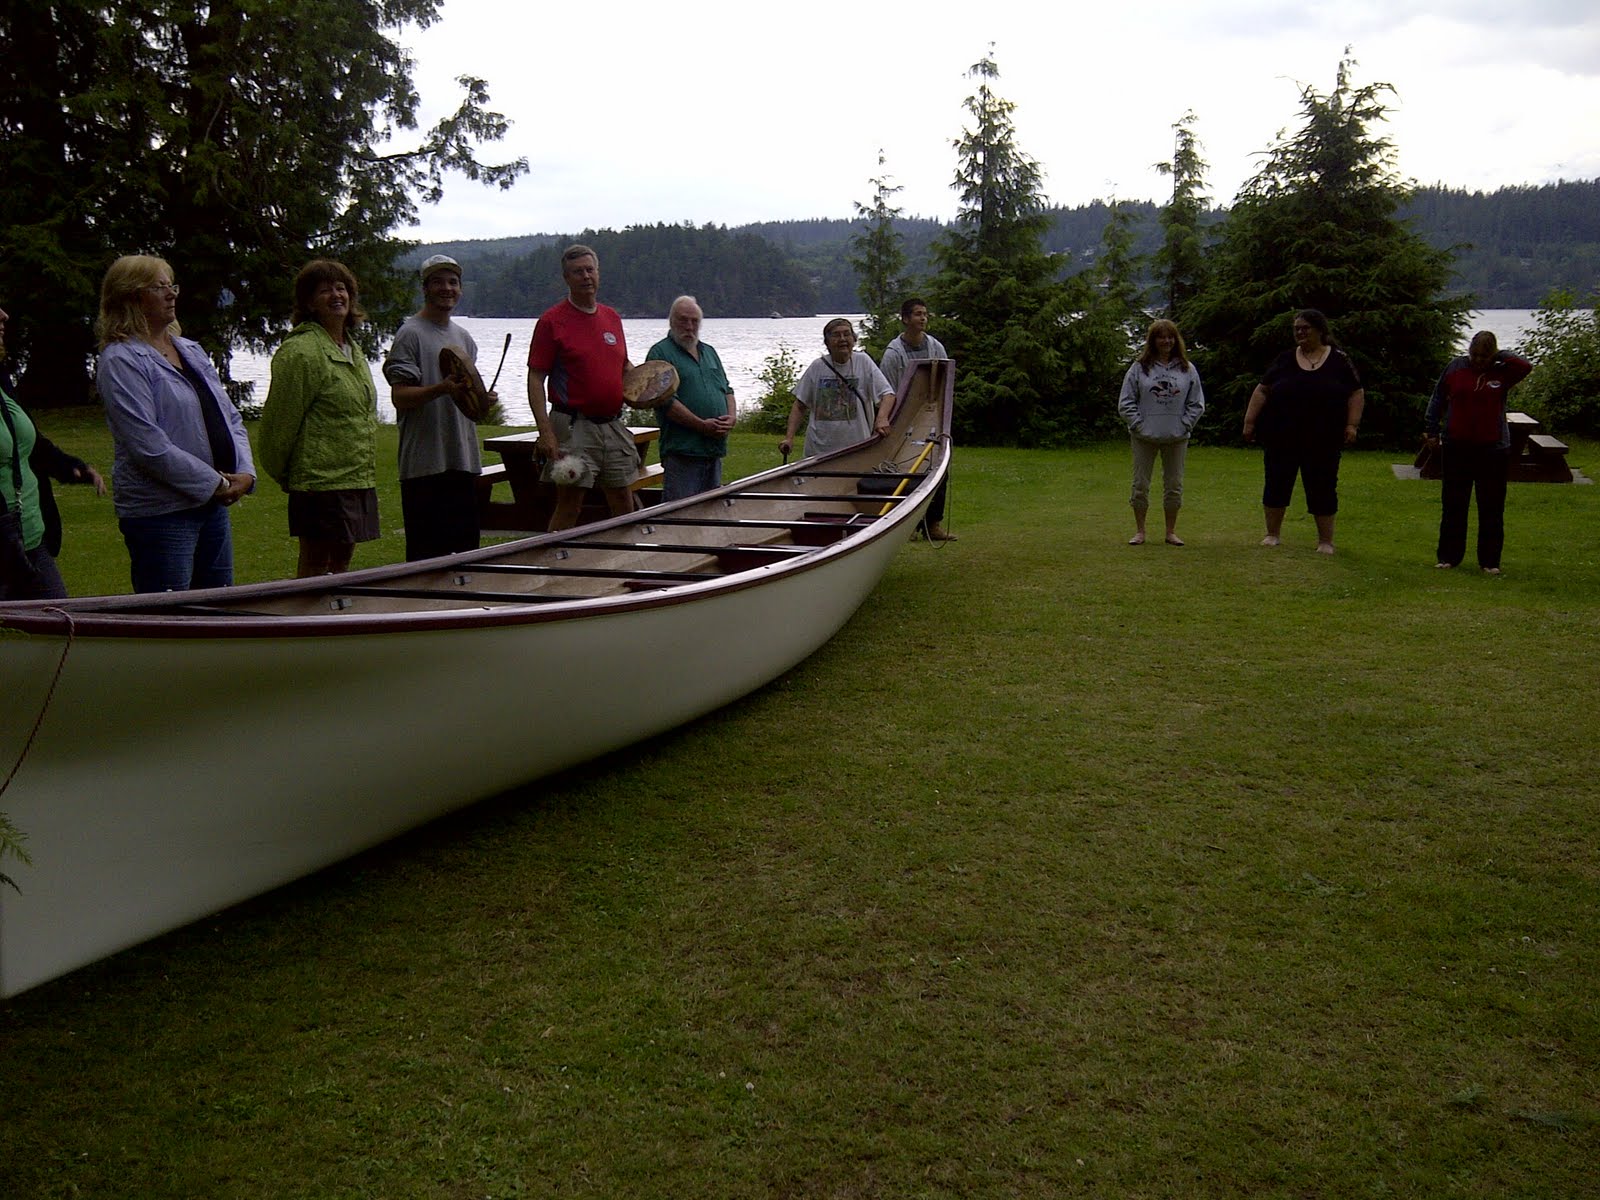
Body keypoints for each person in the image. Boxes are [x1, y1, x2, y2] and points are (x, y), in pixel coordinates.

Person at [95, 256, 256, 593]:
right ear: (132, 297)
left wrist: (245, 472)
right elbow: (147, 445)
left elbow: (230, 417)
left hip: (211, 505)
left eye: (172, 286)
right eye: (159, 287)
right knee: (169, 617)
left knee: (219, 608)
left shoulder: (190, 351)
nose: (171, 295)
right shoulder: (121, 360)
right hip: (162, 514)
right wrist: (215, 483)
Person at [260, 259, 379, 577]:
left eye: (341, 288)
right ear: (309, 302)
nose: (336, 295)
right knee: (316, 567)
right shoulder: (300, 352)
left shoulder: (352, 350)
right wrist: (285, 473)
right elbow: (280, 423)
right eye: (325, 290)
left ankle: (335, 622)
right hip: (319, 483)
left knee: (342, 566)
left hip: (356, 477)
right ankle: (308, 623)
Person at [383, 254, 495, 561]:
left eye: (453, 282)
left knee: (466, 558)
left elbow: (466, 396)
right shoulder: (410, 334)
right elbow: (400, 397)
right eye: (438, 282)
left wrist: (482, 398)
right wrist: (441, 388)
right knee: (427, 560)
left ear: (460, 288)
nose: (447, 288)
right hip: (424, 465)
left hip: (463, 460)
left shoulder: (464, 338)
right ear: (425, 288)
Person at [527, 245, 637, 531]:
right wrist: (545, 432)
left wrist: (648, 384)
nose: (586, 276)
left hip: (612, 426)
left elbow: (623, 367)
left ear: (598, 274)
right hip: (574, 428)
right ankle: (555, 567)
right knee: (570, 503)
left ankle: (623, 565)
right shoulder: (552, 321)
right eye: (578, 272)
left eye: (590, 270)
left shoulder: (611, 317)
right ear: (567, 278)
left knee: (624, 501)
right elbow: (536, 379)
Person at [1, 305, 106, 600]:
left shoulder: (1, 378)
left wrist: (69, 467)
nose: (4, 315)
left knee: (62, 631)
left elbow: (28, 441)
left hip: (30, 539)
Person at [1241, 308, 1364, 555]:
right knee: (1276, 482)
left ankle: (1325, 541)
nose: (1300, 333)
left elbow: (1356, 392)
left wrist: (1352, 424)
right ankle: (1272, 534)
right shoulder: (1285, 359)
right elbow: (1262, 389)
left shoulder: (1339, 360)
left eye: (1305, 328)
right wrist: (1249, 421)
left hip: (1324, 438)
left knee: (1323, 486)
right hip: (1282, 435)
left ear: (1320, 330)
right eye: (1296, 328)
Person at [1423, 331, 1533, 575]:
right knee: (1453, 504)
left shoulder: (1503, 372)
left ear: (1492, 355)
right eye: (1475, 355)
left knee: (1491, 507)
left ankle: (1490, 561)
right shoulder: (1455, 368)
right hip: (1456, 446)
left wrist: (1500, 356)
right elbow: (1438, 398)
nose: (1478, 361)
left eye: (1484, 357)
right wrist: (1431, 429)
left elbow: (1525, 366)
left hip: (1493, 449)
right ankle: (1448, 556)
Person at [1118, 318, 1205, 546]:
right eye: (1161, 337)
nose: (1166, 341)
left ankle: (1170, 531)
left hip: (1176, 438)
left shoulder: (1187, 369)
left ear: (1176, 340)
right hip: (1144, 438)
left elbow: (1196, 404)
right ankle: (1140, 532)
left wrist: (1184, 424)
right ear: (1153, 340)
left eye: (1170, 337)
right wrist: (1139, 424)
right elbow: (1126, 402)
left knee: (1174, 486)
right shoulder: (1139, 368)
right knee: (1140, 486)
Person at [645, 296, 736, 501]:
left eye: (694, 321)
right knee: (680, 515)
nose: (689, 326)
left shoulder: (709, 352)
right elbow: (665, 402)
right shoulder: (660, 353)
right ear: (671, 321)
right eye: (683, 320)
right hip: (683, 452)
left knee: (710, 514)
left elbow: (727, 390)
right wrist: (701, 425)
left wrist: (732, 417)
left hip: (713, 450)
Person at [879, 297, 955, 541]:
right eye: (917, 314)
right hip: (903, 419)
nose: (923, 318)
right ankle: (907, 524)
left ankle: (933, 524)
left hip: (932, 416)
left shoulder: (935, 347)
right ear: (905, 319)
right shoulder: (893, 354)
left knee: (937, 466)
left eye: (925, 314)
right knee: (905, 469)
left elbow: (945, 381)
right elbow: (887, 390)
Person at [781, 318, 894, 461]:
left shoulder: (863, 362)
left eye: (847, 334)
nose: (842, 339)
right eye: (836, 335)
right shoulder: (817, 367)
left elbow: (887, 394)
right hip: (818, 451)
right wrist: (789, 439)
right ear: (827, 342)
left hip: (856, 450)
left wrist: (882, 419)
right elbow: (799, 405)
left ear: (853, 339)